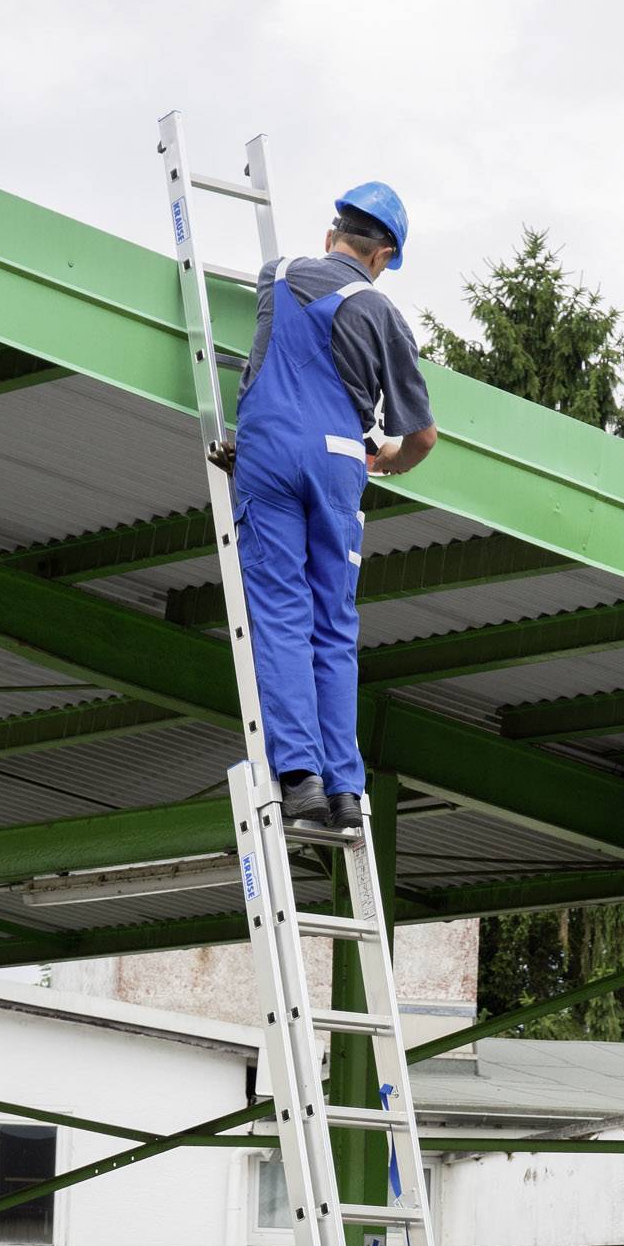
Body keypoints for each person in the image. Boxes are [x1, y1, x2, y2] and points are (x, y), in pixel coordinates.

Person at [233, 182, 437, 830]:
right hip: (340, 460)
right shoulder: (384, 316)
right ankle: (345, 794)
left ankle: (301, 785)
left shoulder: (278, 274)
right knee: (333, 624)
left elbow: (285, 355)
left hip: (268, 452)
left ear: (333, 235)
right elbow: (422, 437)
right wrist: (384, 459)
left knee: (282, 611)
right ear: (383, 257)